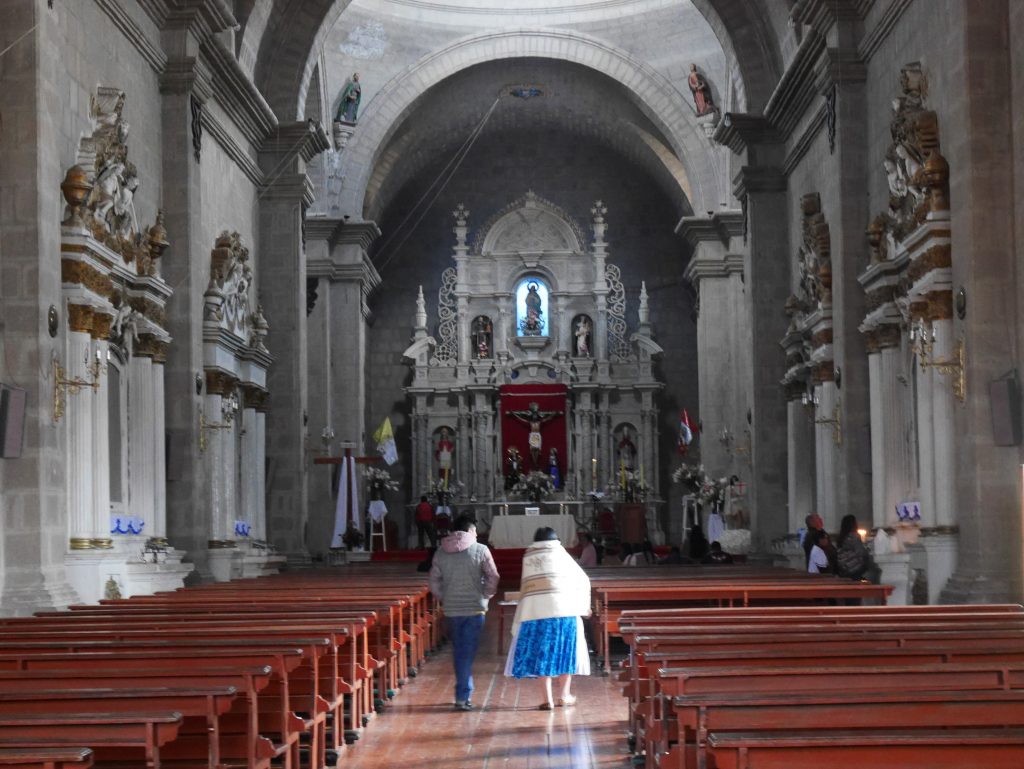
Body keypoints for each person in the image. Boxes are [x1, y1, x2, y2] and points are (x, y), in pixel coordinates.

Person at [505, 527, 591, 710]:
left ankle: (547, 699)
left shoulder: (528, 556)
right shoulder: (560, 554)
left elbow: (527, 585)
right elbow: (582, 580)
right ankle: (564, 695)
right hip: (564, 611)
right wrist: (584, 607)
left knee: (541, 653)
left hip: (534, 612)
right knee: (566, 652)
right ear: (556, 540)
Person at [429, 514, 500, 711]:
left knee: (460, 649)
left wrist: (443, 596)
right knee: (466, 651)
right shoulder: (480, 550)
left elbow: (434, 580)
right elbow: (493, 576)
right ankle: (463, 694)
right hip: (475, 607)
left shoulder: (441, 552)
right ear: (470, 531)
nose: (476, 534)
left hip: (452, 608)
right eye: (475, 531)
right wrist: (485, 594)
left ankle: (463, 691)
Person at [835, 514, 871, 580]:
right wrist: (868, 550)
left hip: (842, 566)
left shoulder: (841, 536)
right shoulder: (854, 536)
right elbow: (860, 552)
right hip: (853, 567)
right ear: (853, 524)